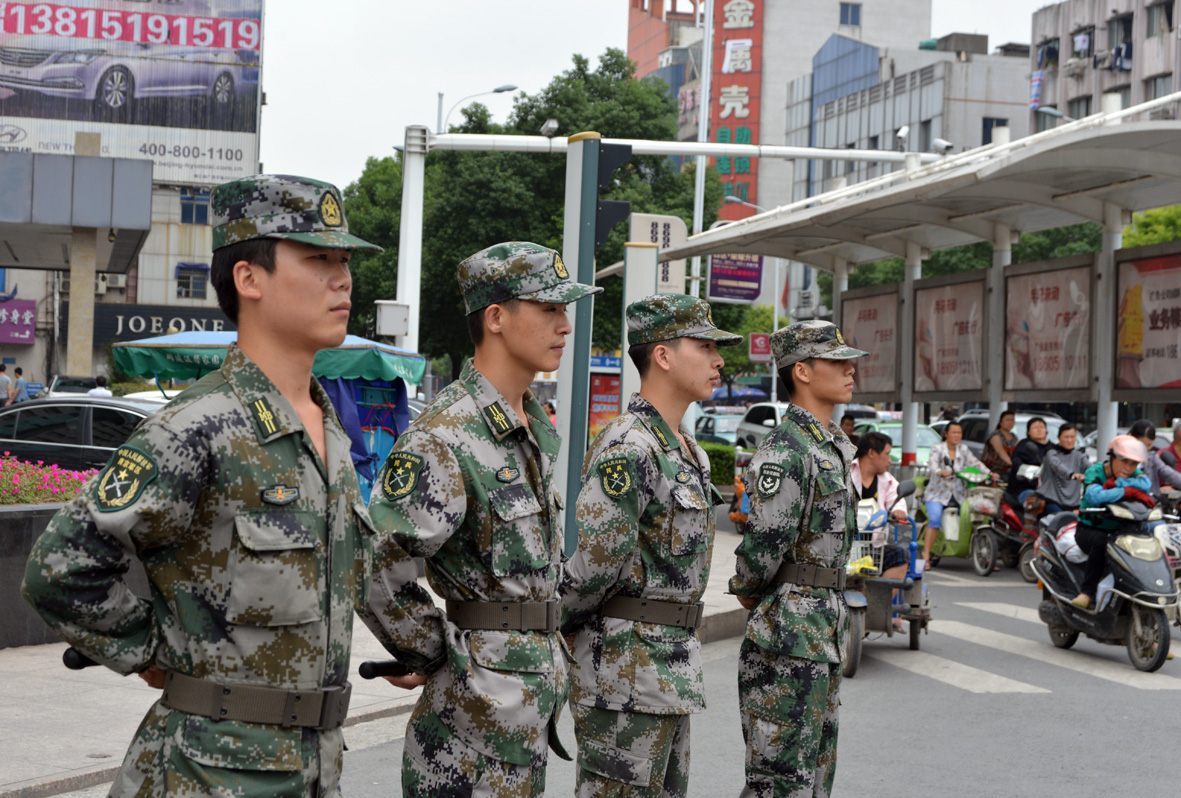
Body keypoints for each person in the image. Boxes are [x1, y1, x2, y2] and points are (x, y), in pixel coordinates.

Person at [23, 174, 423, 796]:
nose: (342, 278)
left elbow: (352, 572)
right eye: (318, 258)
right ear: (249, 278)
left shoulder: (328, 430)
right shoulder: (197, 428)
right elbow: (58, 569)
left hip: (315, 768)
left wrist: (424, 643)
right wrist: (151, 650)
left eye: (345, 261)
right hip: (208, 772)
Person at [366, 241, 601, 797]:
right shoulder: (446, 435)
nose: (565, 324)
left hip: (522, 717)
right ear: (496, 317)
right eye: (548, 309)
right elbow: (377, 562)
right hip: (470, 730)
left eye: (564, 309)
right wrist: (426, 649)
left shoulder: (529, 425)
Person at [560, 294, 741, 798]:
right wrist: (558, 623)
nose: (718, 359)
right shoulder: (630, 447)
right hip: (625, 673)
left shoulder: (686, 449)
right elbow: (596, 563)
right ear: (662, 355)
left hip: (670, 670)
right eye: (704, 346)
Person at [730, 320, 867, 798]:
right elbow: (763, 542)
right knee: (779, 780)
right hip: (788, 630)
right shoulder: (786, 448)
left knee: (815, 777)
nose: (851, 369)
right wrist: (746, 590)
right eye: (837, 361)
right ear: (803, 372)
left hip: (823, 622)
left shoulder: (828, 444)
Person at [1071, 435, 1153, 608]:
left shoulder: (1134, 473)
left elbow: (1145, 484)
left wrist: (1118, 483)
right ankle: (1087, 593)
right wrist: (1127, 491)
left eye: (1133, 464)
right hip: (1090, 530)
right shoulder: (1094, 471)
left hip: (1121, 531)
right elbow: (1094, 496)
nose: (1128, 468)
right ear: (1112, 457)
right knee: (1102, 543)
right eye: (1124, 461)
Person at [923, 421, 994, 567]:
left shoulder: (964, 449)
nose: (957, 435)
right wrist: (940, 472)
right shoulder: (937, 449)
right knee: (935, 520)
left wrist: (990, 473)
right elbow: (932, 464)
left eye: (959, 432)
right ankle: (926, 557)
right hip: (937, 494)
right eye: (954, 432)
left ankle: (983, 554)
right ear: (946, 434)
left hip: (959, 494)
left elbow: (976, 463)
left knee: (975, 516)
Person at [850, 431, 910, 583]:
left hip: (873, 546)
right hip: (843, 544)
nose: (890, 460)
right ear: (871, 453)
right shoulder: (846, 472)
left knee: (901, 556)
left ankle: (882, 604)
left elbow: (897, 499)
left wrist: (899, 511)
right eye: (887, 454)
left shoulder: (888, 480)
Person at [1037, 423, 1089, 513]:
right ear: (1059, 438)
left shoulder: (1079, 455)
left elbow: (1090, 468)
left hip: (1074, 503)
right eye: (1066, 437)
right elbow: (1057, 465)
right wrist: (1072, 474)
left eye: (1072, 437)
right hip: (1052, 499)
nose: (1070, 440)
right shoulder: (1051, 453)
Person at [1128, 419, 1181, 501]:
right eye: (1141, 444)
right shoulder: (1120, 457)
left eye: (1149, 445)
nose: (1144, 449)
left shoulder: (1152, 459)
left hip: (1151, 507)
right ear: (1130, 437)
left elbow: (1173, 476)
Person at [1006, 416, 1050, 503]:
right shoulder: (1024, 445)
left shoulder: (1052, 448)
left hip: (1049, 490)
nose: (1039, 430)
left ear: (1046, 431)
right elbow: (1016, 461)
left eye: (1042, 427)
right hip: (1026, 488)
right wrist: (1027, 471)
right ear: (1029, 432)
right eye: (1035, 427)